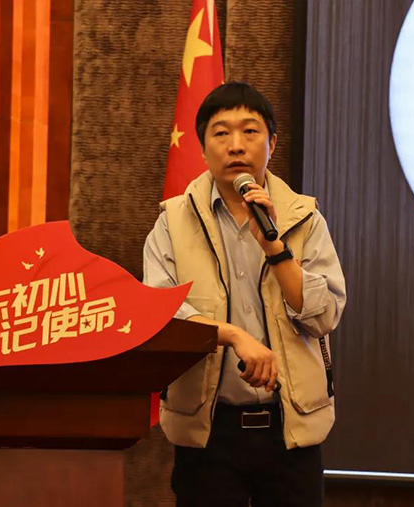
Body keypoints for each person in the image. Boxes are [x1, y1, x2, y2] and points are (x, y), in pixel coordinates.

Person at [143, 82, 346, 507]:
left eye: (250, 131)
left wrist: (275, 247)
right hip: (208, 432)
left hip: (290, 430)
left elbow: (323, 316)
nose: (236, 145)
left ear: (273, 143)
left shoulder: (305, 219)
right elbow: (161, 315)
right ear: (202, 148)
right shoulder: (172, 223)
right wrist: (233, 336)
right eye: (221, 133)